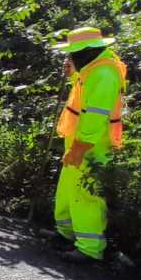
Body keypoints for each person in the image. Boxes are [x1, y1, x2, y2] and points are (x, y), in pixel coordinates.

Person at [52, 27, 127, 263]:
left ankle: (89, 248)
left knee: (86, 194)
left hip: (91, 146)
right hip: (77, 141)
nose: (70, 58)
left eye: (73, 54)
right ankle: (66, 234)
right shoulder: (92, 68)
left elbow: (95, 115)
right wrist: (72, 74)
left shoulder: (105, 74)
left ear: (87, 52)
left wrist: (81, 147)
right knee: (67, 189)